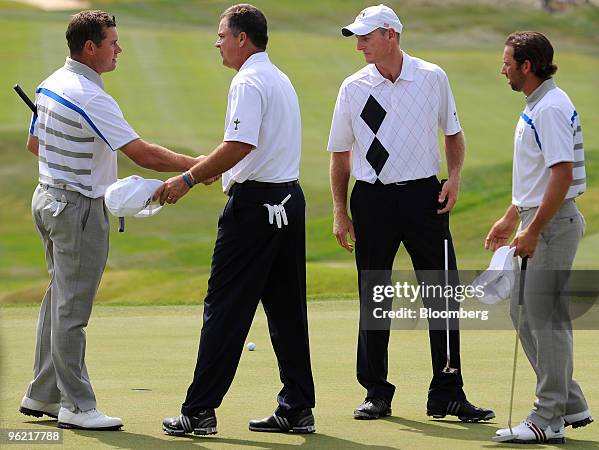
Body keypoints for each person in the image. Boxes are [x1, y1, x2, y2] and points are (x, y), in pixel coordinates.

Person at [19, 10, 201, 431]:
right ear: (90, 48)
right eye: (112, 42)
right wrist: (203, 166)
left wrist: (70, 165)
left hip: (46, 199)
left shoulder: (50, 82)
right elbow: (144, 154)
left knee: (58, 299)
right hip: (77, 209)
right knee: (71, 311)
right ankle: (77, 406)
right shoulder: (91, 96)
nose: (119, 49)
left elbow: (35, 144)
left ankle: (42, 394)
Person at [328, 4, 494, 421]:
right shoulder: (353, 87)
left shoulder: (432, 77)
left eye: (367, 35)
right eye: (357, 37)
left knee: (442, 294)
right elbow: (339, 154)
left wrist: (453, 179)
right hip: (372, 199)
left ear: (391, 35)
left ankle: (448, 392)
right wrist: (339, 210)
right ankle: (376, 392)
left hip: (425, 197)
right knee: (375, 296)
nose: (360, 43)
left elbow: (453, 135)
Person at [159, 4, 316, 436]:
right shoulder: (278, 77)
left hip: (255, 211)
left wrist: (190, 178)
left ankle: (199, 411)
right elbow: (249, 150)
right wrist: (215, 170)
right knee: (286, 309)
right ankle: (298, 406)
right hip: (288, 200)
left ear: (242, 38)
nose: (217, 42)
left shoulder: (247, 81)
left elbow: (240, 144)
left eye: (222, 35)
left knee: (225, 308)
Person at [488, 31, 592, 444]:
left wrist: (532, 229)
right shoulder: (540, 103)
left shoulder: (548, 108)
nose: (503, 69)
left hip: (551, 225)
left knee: (546, 320)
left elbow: (561, 175)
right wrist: (513, 216)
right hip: (539, 219)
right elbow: (539, 174)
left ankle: (547, 418)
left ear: (526, 66)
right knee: (523, 312)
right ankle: (570, 402)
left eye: (508, 62)